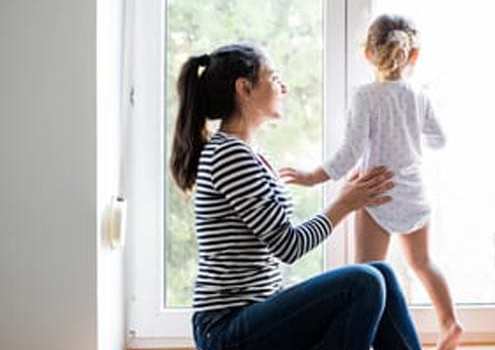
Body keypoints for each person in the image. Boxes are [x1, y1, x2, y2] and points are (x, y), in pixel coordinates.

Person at [170, 42, 421, 350]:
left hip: (253, 313)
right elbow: (288, 245)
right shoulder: (229, 155)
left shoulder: (246, 152)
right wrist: (345, 203)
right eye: (274, 78)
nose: (283, 87)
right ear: (244, 88)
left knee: (380, 272)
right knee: (363, 283)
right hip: (225, 329)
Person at [282, 14, 462, 350]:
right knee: (422, 262)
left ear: (367, 53)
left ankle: (367, 341)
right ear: (414, 55)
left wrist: (311, 177)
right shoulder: (419, 95)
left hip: (375, 194)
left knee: (368, 275)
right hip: (414, 192)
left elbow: (350, 152)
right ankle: (450, 323)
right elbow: (439, 140)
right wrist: (410, 138)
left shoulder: (365, 96)